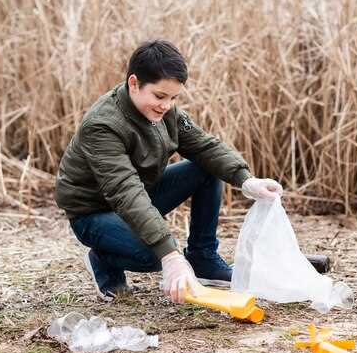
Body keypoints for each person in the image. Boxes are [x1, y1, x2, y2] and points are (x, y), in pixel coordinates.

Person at [54, 40, 283, 304]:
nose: (166, 105)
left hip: (141, 193)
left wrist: (247, 180)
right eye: (160, 96)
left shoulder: (165, 112)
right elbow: (125, 192)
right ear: (134, 84)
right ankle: (103, 257)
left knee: (206, 169)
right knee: (156, 253)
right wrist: (171, 255)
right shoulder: (102, 126)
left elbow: (204, 147)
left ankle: (203, 257)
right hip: (94, 213)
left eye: (174, 98)